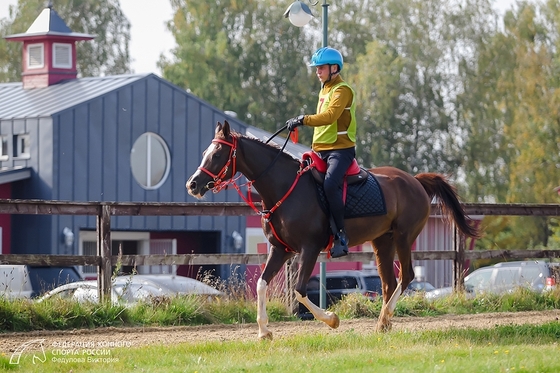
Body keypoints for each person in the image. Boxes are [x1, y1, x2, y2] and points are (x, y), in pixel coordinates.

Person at [285, 47, 357, 258]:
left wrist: (303, 119)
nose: (317, 72)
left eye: (321, 68)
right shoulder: (324, 89)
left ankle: (341, 234)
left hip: (340, 151)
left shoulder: (342, 90)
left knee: (330, 184)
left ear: (334, 68)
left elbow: (329, 117)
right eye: (317, 68)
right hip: (320, 150)